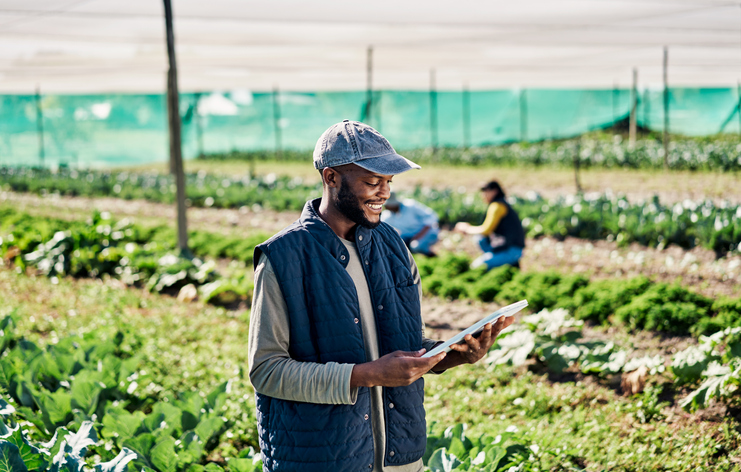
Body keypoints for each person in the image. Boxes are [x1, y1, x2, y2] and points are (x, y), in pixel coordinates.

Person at [248, 120, 513, 472]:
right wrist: (366, 375)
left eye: (388, 182)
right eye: (372, 181)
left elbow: (405, 344)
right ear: (331, 178)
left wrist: (452, 354)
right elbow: (266, 370)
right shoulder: (284, 257)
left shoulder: (393, 246)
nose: (384, 193)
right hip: (323, 459)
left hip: (401, 459)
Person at [454, 180, 525, 270]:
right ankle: (507, 263)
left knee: (477, 267)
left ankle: (507, 262)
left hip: (511, 250)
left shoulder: (497, 206)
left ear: (494, 191)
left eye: (486, 192)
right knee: (479, 239)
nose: (483, 195)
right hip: (507, 248)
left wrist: (467, 228)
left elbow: (486, 230)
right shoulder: (499, 204)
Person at [381, 192, 439, 256]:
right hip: (408, 236)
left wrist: (417, 237)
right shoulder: (387, 214)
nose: (385, 207)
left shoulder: (410, 206)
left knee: (416, 246)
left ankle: (432, 255)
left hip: (426, 233)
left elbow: (431, 217)